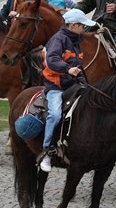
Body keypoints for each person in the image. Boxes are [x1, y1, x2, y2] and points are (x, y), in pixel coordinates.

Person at [39, 9, 95, 172]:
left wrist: (86, 84)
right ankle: (46, 152)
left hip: (72, 85)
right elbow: (52, 60)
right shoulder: (58, 39)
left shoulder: (76, 42)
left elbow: (78, 67)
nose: (84, 29)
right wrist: (68, 69)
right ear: (74, 25)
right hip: (55, 86)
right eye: (83, 26)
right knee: (55, 115)